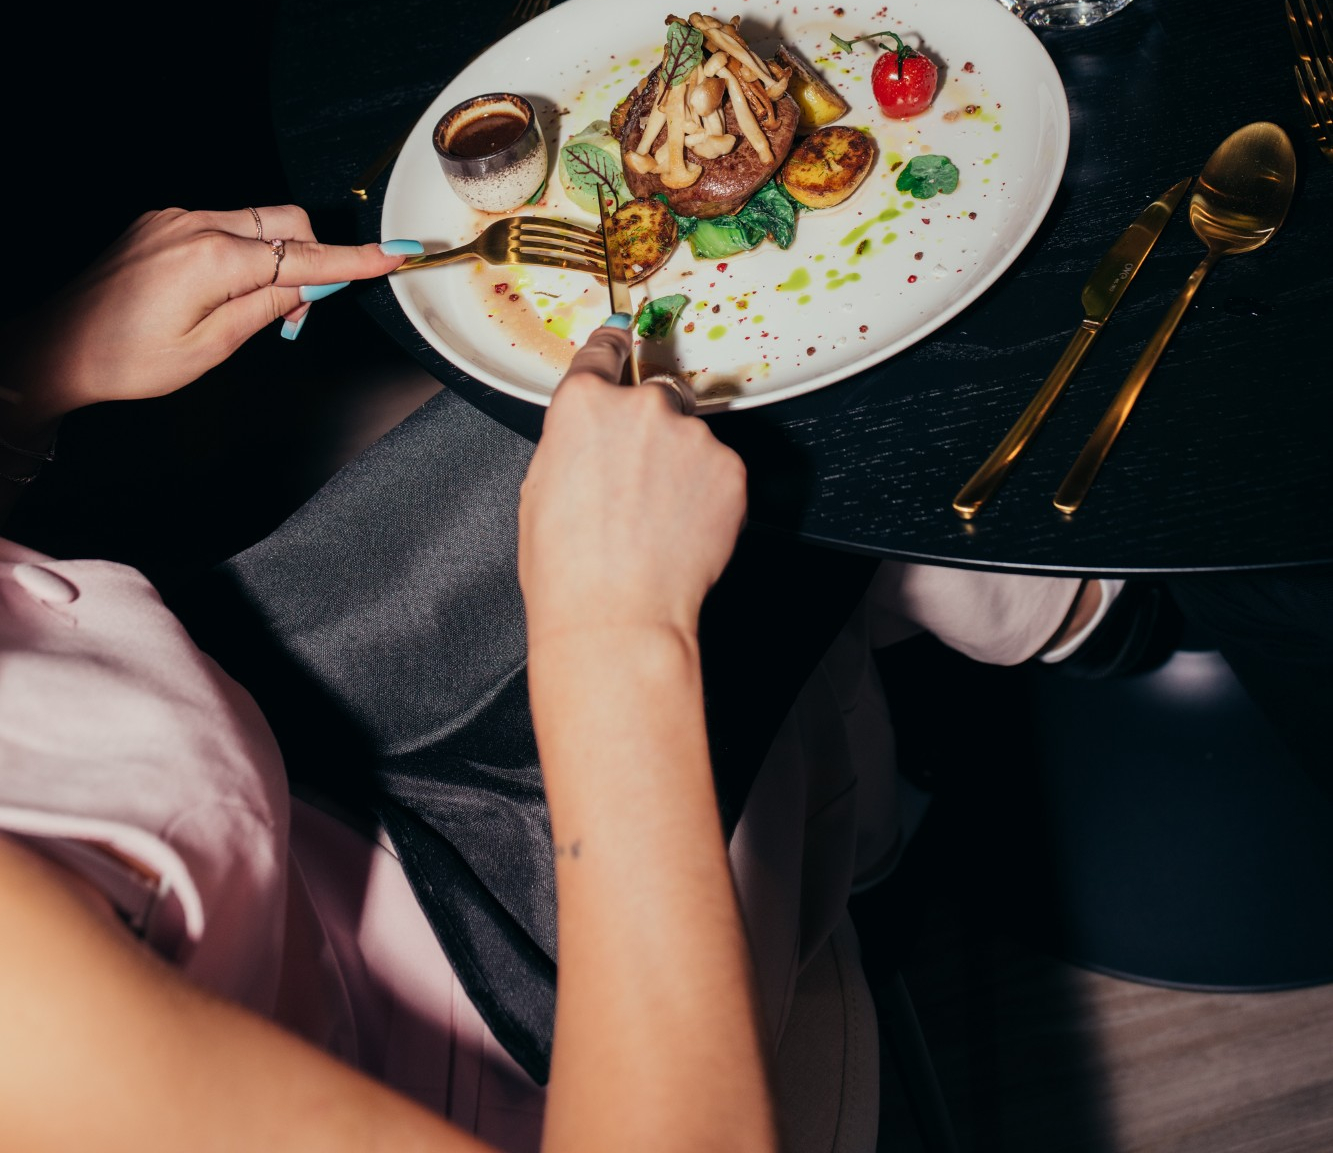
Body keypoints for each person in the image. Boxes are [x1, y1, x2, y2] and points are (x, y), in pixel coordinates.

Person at [0, 204, 1124, 1151]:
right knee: (765, 428)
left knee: (721, 354)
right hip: (503, 1022)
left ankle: (995, 618)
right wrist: (618, 626)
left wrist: (32, 373)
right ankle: (1078, 609)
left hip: (282, 744)